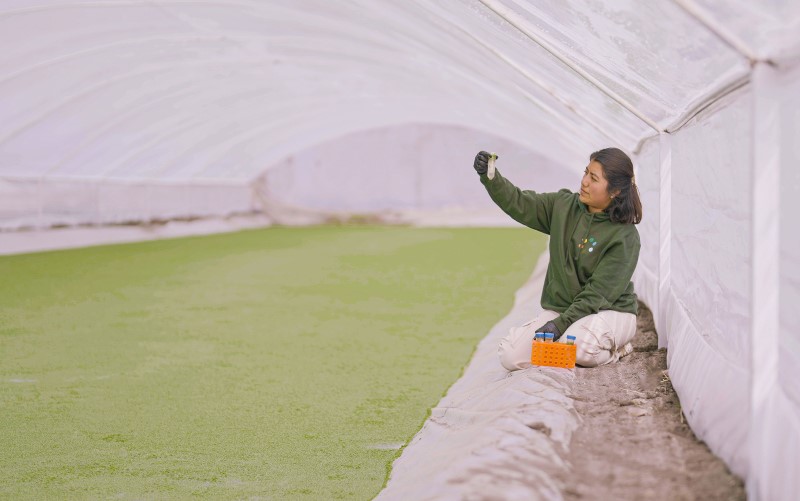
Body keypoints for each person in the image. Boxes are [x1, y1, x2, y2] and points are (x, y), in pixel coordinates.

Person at [473, 148, 642, 369]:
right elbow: (520, 203)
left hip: (609, 312)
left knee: (579, 348)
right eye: (585, 173)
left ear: (615, 191)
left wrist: (560, 325)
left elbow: (597, 295)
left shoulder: (625, 237)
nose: (584, 182)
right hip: (564, 310)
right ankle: (566, 346)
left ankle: (617, 350)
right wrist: (491, 177)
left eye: (594, 178)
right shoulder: (563, 206)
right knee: (511, 356)